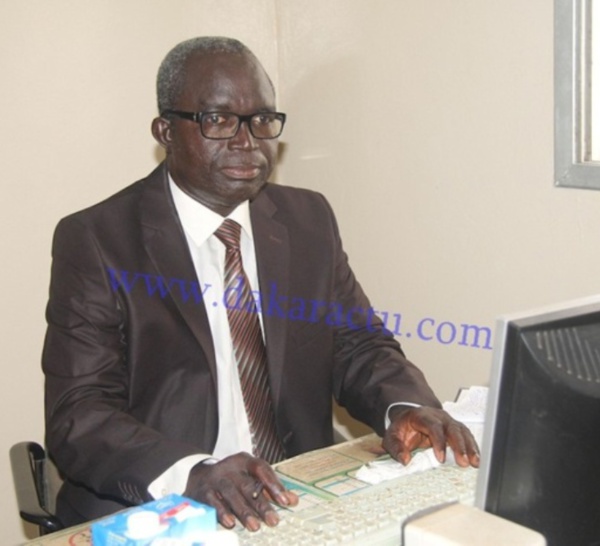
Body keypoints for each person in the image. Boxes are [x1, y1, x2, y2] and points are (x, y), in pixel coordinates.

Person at [43, 36, 479, 532]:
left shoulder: (307, 218)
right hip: (163, 511)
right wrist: (192, 472)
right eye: (218, 119)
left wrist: (406, 406)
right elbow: (79, 414)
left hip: (294, 493)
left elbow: (358, 344)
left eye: (262, 120)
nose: (247, 141)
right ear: (166, 131)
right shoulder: (99, 240)